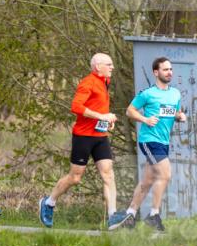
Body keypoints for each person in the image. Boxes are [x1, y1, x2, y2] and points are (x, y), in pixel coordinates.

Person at [39, 53, 129, 229]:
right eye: (109, 64)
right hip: (83, 136)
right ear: (97, 66)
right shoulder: (88, 82)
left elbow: (98, 106)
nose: (112, 67)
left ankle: (112, 216)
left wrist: (106, 121)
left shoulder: (105, 81)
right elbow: (76, 107)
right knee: (75, 177)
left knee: (108, 174)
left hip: (100, 136)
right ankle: (48, 202)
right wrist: (102, 116)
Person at [112, 57, 186, 232]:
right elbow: (130, 111)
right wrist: (145, 119)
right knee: (165, 175)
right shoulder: (147, 93)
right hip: (149, 140)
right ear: (156, 72)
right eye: (165, 69)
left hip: (164, 141)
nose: (169, 72)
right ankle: (154, 215)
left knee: (148, 180)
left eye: (171, 69)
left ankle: (130, 214)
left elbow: (174, 112)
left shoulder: (175, 93)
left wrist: (180, 116)